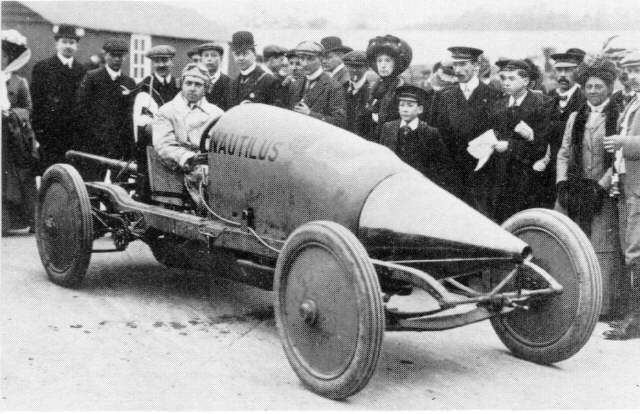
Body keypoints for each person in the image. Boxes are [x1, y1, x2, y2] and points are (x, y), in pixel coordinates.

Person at [556, 57, 623, 318]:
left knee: (602, 246)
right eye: (588, 87)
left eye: (598, 87)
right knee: (571, 242)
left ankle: (602, 307)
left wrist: (602, 185)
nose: (593, 92)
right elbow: (563, 153)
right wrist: (562, 182)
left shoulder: (617, 116)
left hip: (603, 193)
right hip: (576, 188)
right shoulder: (576, 116)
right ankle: (573, 300)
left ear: (608, 87)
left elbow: (618, 156)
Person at [431, 46, 501, 209]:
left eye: (463, 65)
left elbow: (499, 130)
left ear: (476, 66)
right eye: (455, 65)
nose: (458, 70)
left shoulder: (493, 95)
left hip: (482, 173)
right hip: (451, 173)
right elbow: (434, 134)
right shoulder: (444, 97)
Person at [601, 51, 640, 339]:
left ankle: (636, 320)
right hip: (629, 184)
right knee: (631, 249)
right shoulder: (633, 101)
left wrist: (622, 142)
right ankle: (633, 316)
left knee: (636, 250)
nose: (632, 76)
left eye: (637, 70)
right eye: (629, 70)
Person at [153, 63, 224, 208]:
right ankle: (211, 213)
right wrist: (189, 158)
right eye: (188, 83)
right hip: (182, 166)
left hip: (213, 163)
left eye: (198, 84)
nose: (192, 88)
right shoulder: (166, 111)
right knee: (208, 178)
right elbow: (164, 145)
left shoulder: (217, 113)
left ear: (206, 89)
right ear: (182, 85)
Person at [489, 60, 548, 222]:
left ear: (526, 81)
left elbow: (542, 145)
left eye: (511, 78)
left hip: (527, 179)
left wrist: (510, 146)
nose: (505, 82)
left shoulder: (541, 105)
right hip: (500, 178)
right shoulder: (498, 106)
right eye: (503, 78)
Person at [74, 38, 136, 181]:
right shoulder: (92, 77)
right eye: (112, 55)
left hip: (119, 146)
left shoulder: (129, 82)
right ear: (105, 55)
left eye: (120, 56)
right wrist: (94, 134)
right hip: (95, 144)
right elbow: (81, 109)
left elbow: (130, 114)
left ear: (125, 57)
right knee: (93, 183)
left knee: (120, 186)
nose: (116, 59)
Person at [31, 24, 86, 173]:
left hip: (73, 138)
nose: (68, 46)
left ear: (77, 46)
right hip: (49, 136)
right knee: (50, 177)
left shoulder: (83, 71)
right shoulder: (42, 68)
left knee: (70, 179)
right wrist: (38, 133)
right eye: (64, 42)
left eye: (72, 42)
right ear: (57, 44)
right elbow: (36, 103)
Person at [538, 51, 587, 207]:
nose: (563, 75)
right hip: (549, 172)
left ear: (577, 72)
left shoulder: (585, 100)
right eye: (559, 70)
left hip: (574, 172)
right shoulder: (550, 100)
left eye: (568, 70)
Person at [379, 85, 451, 189]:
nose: (405, 109)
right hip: (394, 185)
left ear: (420, 109)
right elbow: (383, 159)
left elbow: (440, 166)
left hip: (419, 186)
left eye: (410, 105)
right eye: (402, 105)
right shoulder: (388, 128)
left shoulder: (430, 133)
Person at [131, 45, 179, 201]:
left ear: (171, 62)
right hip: (152, 146)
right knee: (150, 188)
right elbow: (144, 124)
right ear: (152, 63)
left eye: (165, 60)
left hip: (176, 144)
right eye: (157, 61)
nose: (161, 65)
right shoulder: (146, 87)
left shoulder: (178, 86)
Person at [2, 29, 37, 234]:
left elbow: (28, 109)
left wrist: (11, 114)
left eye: (4, 55)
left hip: (13, 138)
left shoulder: (19, 82)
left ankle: (27, 219)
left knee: (19, 178)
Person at [364, 34, 413, 142]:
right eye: (379, 61)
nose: (383, 65)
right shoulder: (376, 87)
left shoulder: (403, 89)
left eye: (387, 60)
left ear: (396, 63)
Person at [289, 41, 346, 127]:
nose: (304, 63)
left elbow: (339, 122)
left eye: (310, 59)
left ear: (321, 59)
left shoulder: (334, 86)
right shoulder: (296, 84)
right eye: (301, 58)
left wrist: (310, 114)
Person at [228, 31, 278, 107]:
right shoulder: (233, 83)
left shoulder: (269, 80)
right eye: (237, 54)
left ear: (254, 54)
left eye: (245, 53)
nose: (241, 58)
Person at [343, 50, 374, 138]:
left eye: (359, 66)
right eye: (350, 66)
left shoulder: (372, 93)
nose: (354, 70)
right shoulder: (341, 88)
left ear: (367, 67)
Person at [198, 42, 231, 110]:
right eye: (206, 55)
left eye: (214, 55)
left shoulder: (230, 83)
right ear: (201, 60)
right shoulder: (195, 81)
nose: (209, 59)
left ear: (221, 59)